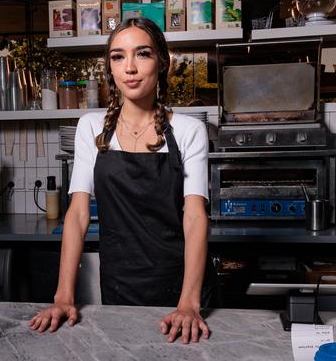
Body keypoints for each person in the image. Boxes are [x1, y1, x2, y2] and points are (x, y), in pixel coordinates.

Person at [28, 17, 214, 344]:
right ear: (110, 68)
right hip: (119, 283)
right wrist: (63, 296)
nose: (129, 67)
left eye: (142, 54)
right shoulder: (91, 127)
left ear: (162, 63)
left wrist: (189, 303)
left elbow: (196, 215)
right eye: (117, 56)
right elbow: (78, 214)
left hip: (181, 285)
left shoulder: (188, 130)